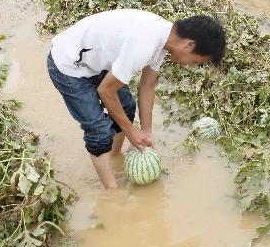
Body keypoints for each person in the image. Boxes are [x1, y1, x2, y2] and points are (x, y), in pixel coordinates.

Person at [47, 9, 226, 188]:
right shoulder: (144, 44)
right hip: (68, 64)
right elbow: (106, 91)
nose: (190, 65)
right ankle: (113, 193)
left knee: (126, 107)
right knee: (98, 130)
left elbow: (147, 86)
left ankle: (115, 157)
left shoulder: (164, 38)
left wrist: (146, 132)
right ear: (189, 45)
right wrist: (131, 131)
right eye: (195, 61)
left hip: (94, 61)